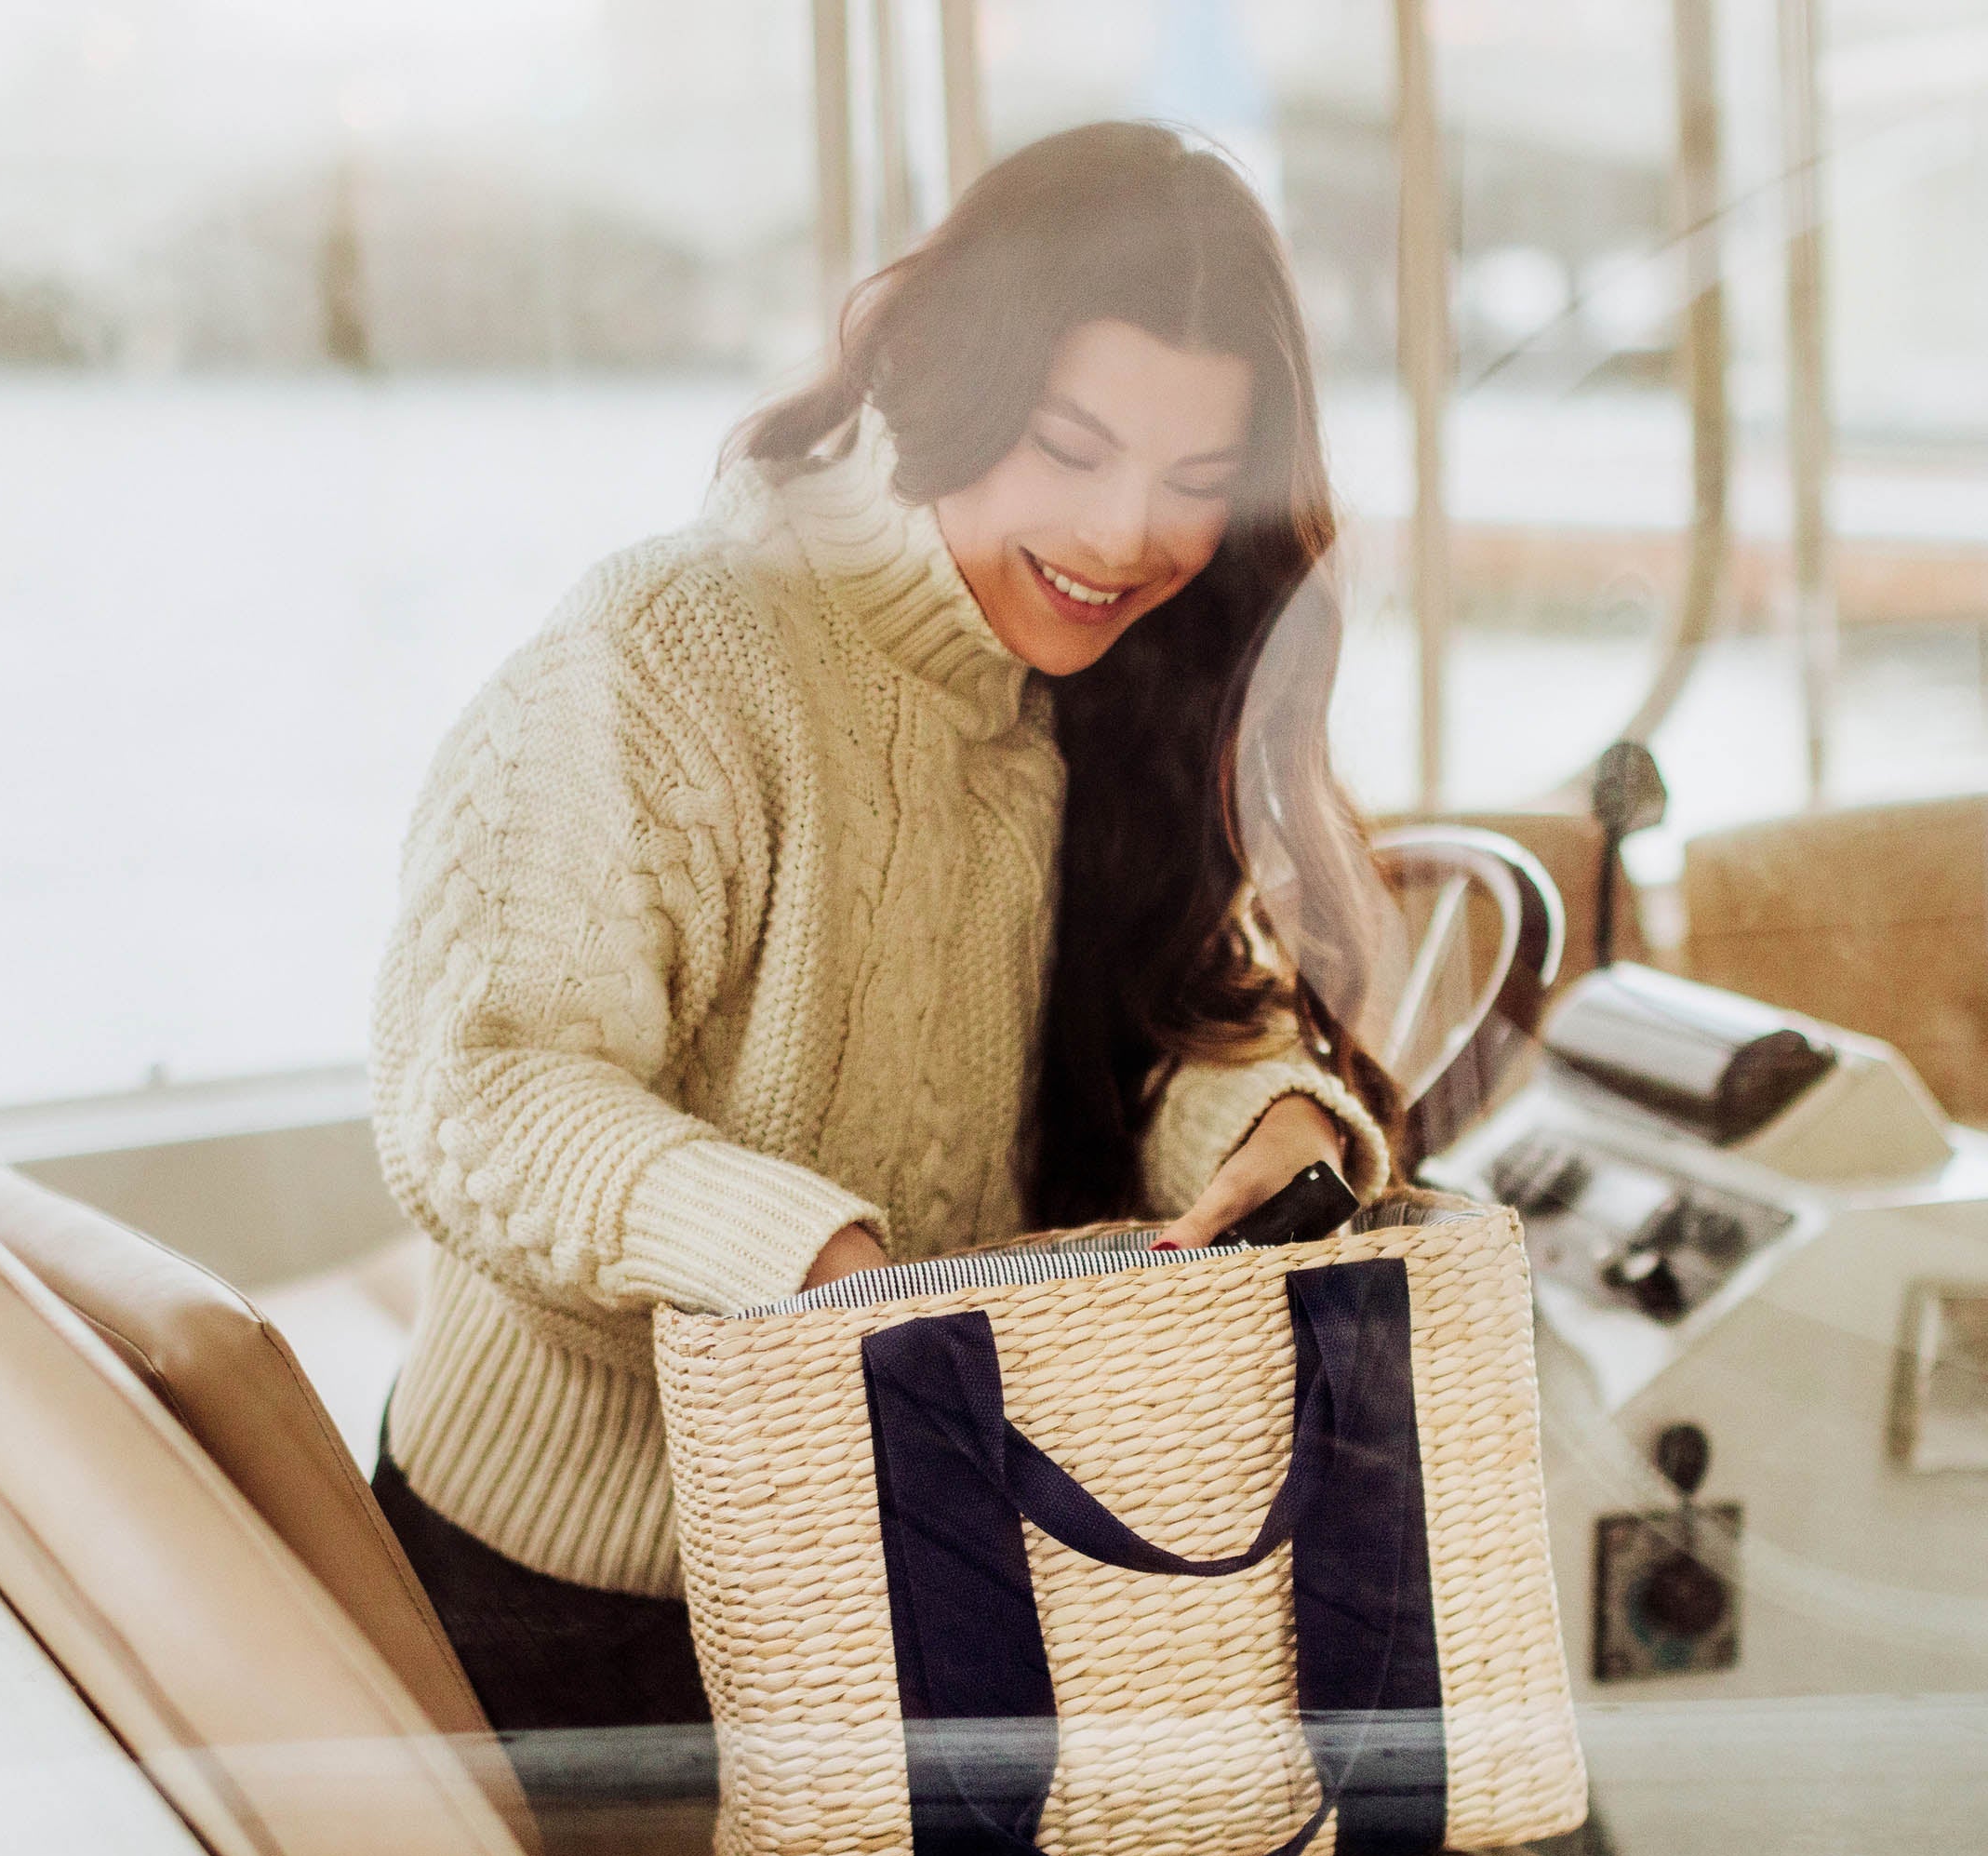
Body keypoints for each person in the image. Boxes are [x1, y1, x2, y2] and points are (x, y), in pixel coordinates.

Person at [367, 121, 1399, 1746]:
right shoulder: (672, 643)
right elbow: (478, 1093)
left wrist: (1253, 1121)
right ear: (952, 381)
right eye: (1070, 446)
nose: (1130, 536)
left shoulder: (1097, 678)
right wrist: (811, 1268)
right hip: (570, 1614)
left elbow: (1150, 1024)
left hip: (908, 1549)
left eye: (1200, 483)